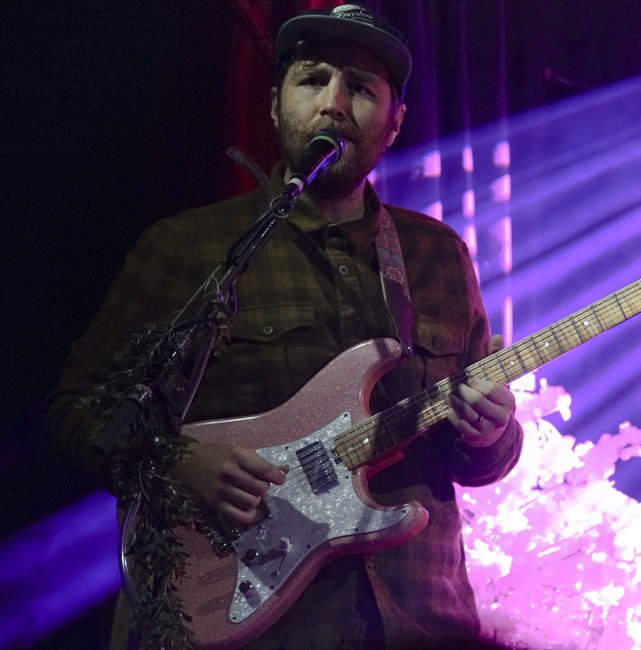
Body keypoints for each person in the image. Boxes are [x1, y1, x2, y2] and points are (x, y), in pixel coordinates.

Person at [46, 4, 523, 649]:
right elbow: (80, 414)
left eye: (360, 87)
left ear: (394, 123)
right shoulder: (191, 247)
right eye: (312, 78)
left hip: (421, 618)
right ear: (274, 105)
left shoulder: (437, 254)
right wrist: (187, 465)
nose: (334, 102)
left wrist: (492, 432)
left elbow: (473, 457)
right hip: (243, 620)